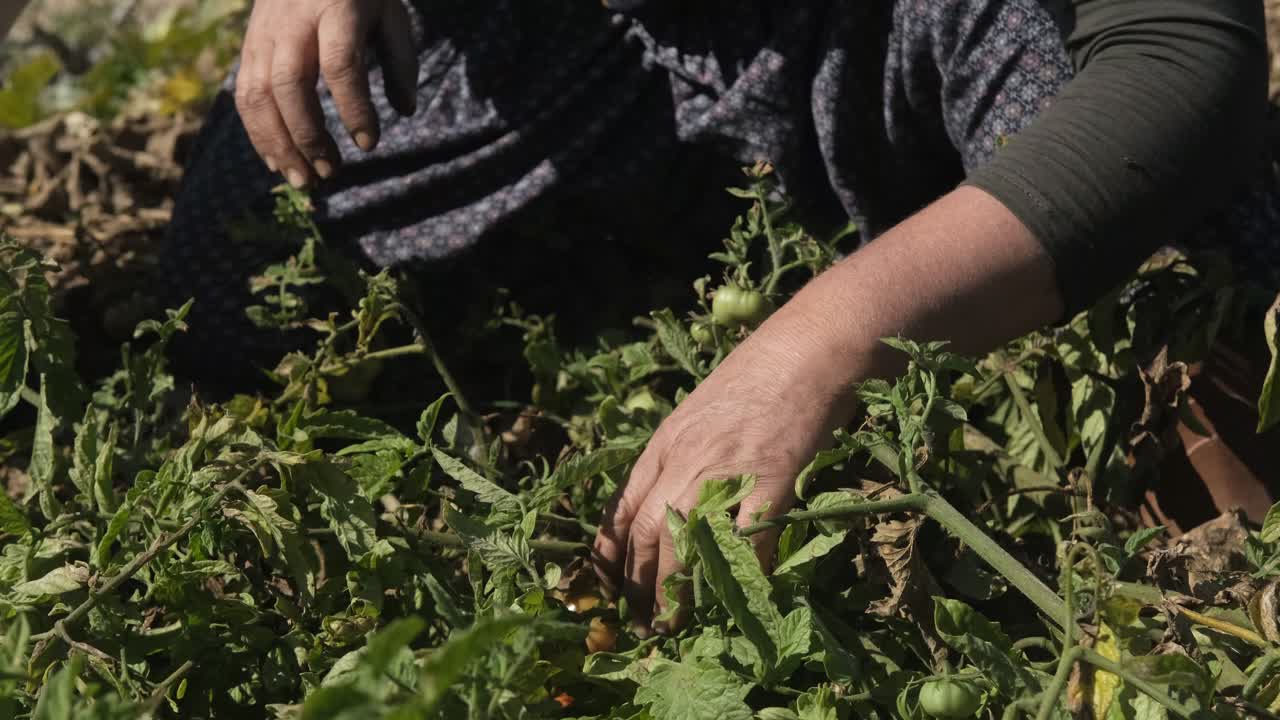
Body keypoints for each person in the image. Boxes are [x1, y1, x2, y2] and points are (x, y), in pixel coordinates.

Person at [154, 0, 1277, 635]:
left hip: (897, 30)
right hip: (588, 38)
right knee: (245, 274)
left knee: (1174, 271)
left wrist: (818, 345)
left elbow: (1173, 54)